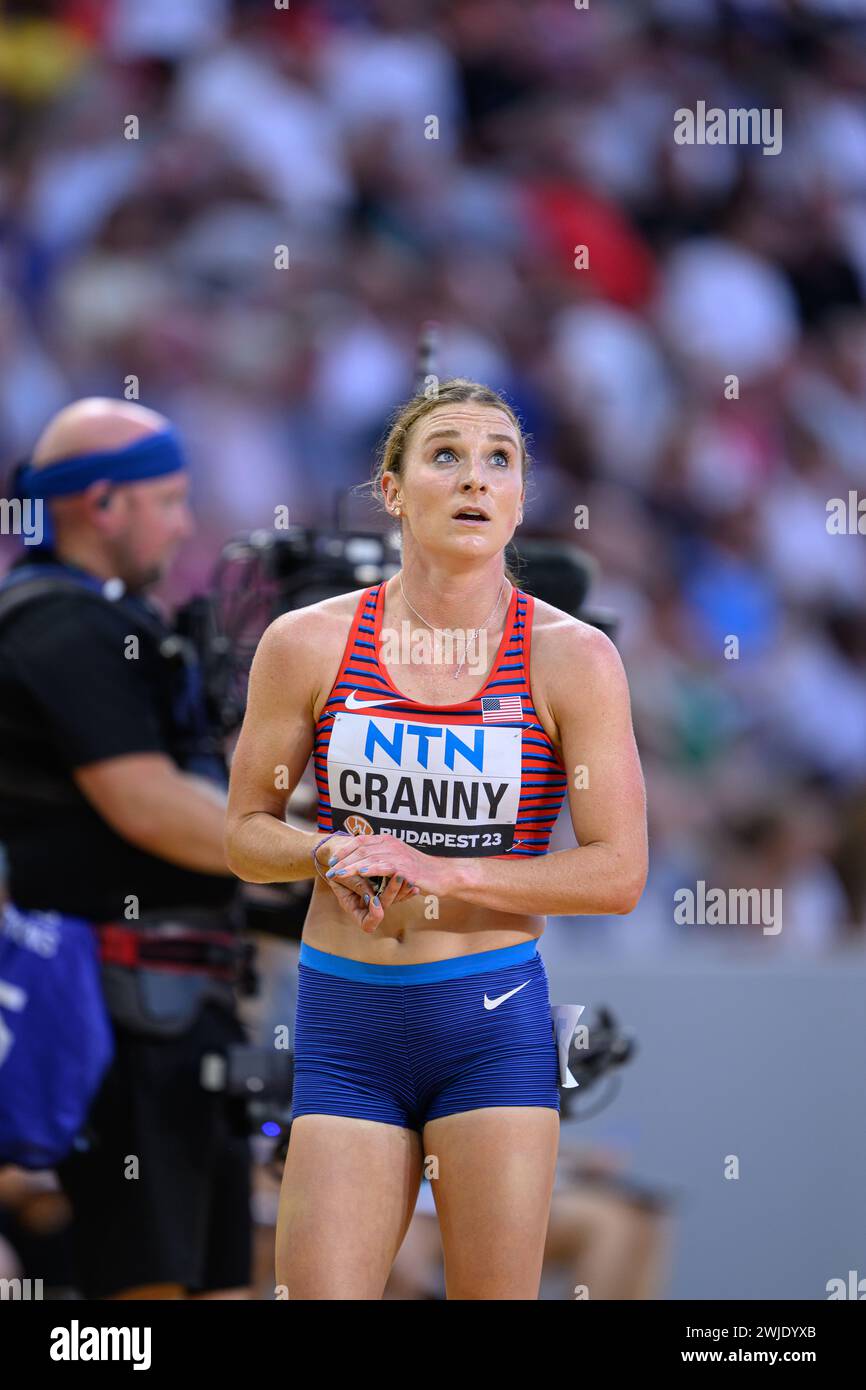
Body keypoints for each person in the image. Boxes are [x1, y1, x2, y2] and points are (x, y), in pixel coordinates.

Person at [225, 378, 648, 1300]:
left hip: (488, 1020)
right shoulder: (308, 642)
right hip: (345, 1017)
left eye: (500, 459)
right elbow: (246, 835)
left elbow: (618, 874)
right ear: (392, 490)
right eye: (445, 455)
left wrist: (435, 865)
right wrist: (324, 851)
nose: (476, 478)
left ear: (522, 499)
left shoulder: (571, 655)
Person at [0, 398, 252, 1299]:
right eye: (170, 500)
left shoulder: (125, 625)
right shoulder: (53, 622)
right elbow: (145, 805)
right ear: (104, 504)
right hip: (120, 1011)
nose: (186, 526)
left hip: (188, 1004)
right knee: (136, 1313)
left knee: (222, 1284)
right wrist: (313, 849)